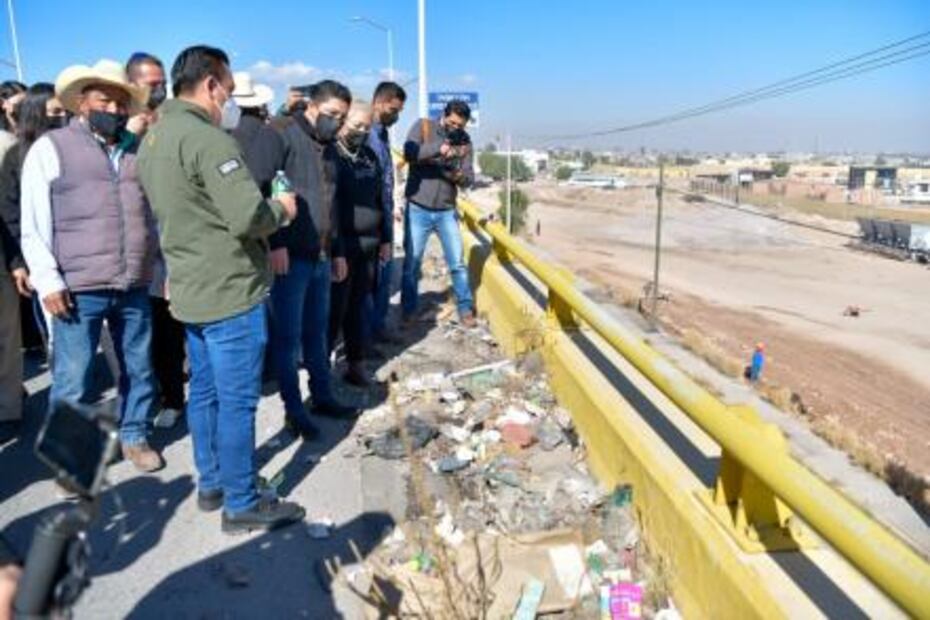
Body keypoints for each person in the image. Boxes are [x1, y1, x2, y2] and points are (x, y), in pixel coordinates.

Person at [137, 45, 304, 533]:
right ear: (211, 85)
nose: (230, 101)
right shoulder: (209, 141)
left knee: (206, 392)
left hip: (190, 288)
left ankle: (212, 482)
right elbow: (248, 216)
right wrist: (284, 211)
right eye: (228, 91)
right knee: (237, 400)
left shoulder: (155, 137)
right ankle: (242, 500)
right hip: (229, 289)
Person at [19, 60, 163, 472]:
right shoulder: (52, 147)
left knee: (138, 366)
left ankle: (134, 435)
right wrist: (47, 280)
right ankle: (70, 459)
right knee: (74, 377)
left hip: (132, 279)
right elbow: (34, 222)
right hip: (78, 286)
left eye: (121, 102)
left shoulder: (137, 151)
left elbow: (150, 215)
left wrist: (157, 269)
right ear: (83, 103)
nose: (114, 109)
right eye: (105, 100)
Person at [270, 79, 357, 435]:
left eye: (342, 117)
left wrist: (336, 251)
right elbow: (266, 189)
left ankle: (321, 395)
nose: (337, 122)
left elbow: (332, 203)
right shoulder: (283, 134)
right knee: (288, 340)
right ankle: (294, 409)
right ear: (312, 106)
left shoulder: (330, 148)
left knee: (317, 334)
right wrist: (274, 242)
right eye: (332, 114)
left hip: (321, 255)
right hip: (290, 256)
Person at [125, 52, 186, 429]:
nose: (160, 89)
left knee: (168, 332)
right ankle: (139, 405)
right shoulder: (124, 129)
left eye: (162, 81)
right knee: (135, 341)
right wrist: (133, 133)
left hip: (167, 247)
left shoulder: (170, 120)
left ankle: (173, 399)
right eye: (152, 83)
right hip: (131, 250)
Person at [401, 100, 477, 327]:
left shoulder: (465, 143)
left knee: (457, 264)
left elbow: (468, 179)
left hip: (446, 210)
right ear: (444, 115)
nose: (456, 128)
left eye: (460, 125)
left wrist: (453, 172)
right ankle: (408, 311)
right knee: (412, 264)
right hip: (417, 208)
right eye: (452, 123)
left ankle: (466, 309)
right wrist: (439, 149)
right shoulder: (423, 127)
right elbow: (409, 152)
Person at [329, 101, 387, 386]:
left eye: (367, 127)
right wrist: (336, 250)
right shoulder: (332, 156)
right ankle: (321, 374)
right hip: (342, 248)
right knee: (334, 311)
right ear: (343, 122)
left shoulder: (369, 157)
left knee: (357, 309)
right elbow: (331, 207)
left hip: (369, 245)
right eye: (357, 126)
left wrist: (385, 237)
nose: (362, 131)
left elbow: (380, 200)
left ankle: (356, 364)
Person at [367, 82, 406, 345]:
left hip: (384, 214)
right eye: (393, 109)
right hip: (369, 218)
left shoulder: (382, 133)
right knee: (371, 280)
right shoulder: (364, 132)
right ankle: (366, 337)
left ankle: (377, 328)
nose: (396, 116)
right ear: (380, 103)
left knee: (384, 275)